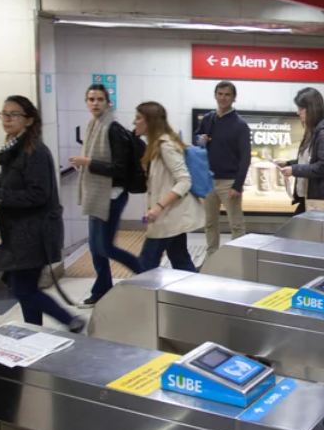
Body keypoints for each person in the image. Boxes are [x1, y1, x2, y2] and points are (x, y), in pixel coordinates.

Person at [0, 96, 80, 332]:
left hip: (33, 232)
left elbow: (38, 194)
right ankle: (33, 331)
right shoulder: (14, 147)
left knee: (23, 289)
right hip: (17, 231)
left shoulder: (34, 151)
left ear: (29, 120)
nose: (7, 119)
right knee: (23, 287)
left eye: (14, 114)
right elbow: (16, 183)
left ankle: (70, 320)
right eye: (4, 114)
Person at [71, 84, 144, 306]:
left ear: (107, 102)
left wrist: (88, 163)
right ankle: (101, 289)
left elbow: (119, 169)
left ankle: (145, 273)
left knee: (104, 246)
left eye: (99, 99)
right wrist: (85, 165)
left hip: (112, 196)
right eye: (91, 99)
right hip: (97, 194)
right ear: (86, 102)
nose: (95, 103)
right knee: (95, 247)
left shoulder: (112, 129)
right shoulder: (92, 126)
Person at [137, 101, 204, 272]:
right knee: (180, 261)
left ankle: (142, 297)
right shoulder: (157, 145)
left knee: (145, 264)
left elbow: (184, 180)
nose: (134, 122)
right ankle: (194, 296)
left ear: (150, 122)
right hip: (172, 217)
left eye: (138, 118)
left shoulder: (165, 146)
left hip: (167, 217)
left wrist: (158, 207)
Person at [195, 81, 250, 258]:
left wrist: (237, 185)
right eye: (220, 94)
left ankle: (237, 259)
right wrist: (199, 138)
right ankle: (211, 258)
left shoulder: (240, 125)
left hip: (229, 182)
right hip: (209, 181)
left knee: (236, 224)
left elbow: (245, 158)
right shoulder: (208, 119)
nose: (223, 98)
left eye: (227, 94)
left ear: (234, 98)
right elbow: (196, 138)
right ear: (215, 95)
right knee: (210, 223)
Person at [275, 87, 324, 213]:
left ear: (311, 109)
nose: (298, 113)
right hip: (310, 194)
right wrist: (289, 163)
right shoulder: (314, 130)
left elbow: (323, 166)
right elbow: (310, 160)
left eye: (301, 109)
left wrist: (294, 170)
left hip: (320, 197)